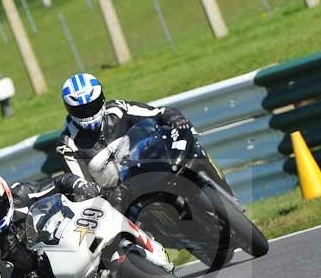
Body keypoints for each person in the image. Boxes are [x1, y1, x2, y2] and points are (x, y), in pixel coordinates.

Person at [56, 72, 230, 193]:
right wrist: (98, 194)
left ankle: (227, 196)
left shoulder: (119, 109)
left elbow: (158, 113)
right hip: (120, 199)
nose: (89, 114)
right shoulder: (68, 144)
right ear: (70, 110)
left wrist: (175, 118)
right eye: (82, 110)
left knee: (195, 152)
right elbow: (81, 184)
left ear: (102, 98)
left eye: (92, 106)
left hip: (148, 171)